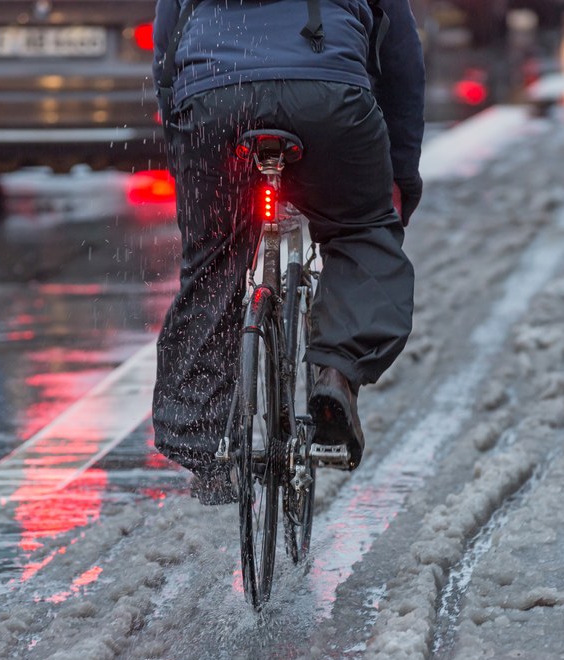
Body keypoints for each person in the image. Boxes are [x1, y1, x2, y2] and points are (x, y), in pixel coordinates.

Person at [150, 0, 425, 504]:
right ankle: (336, 375)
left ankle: (202, 443)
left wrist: (187, 147)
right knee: (359, 231)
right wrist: (401, 175)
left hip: (212, 97)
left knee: (213, 261)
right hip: (327, 95)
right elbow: (402, 63)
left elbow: (166, 48)